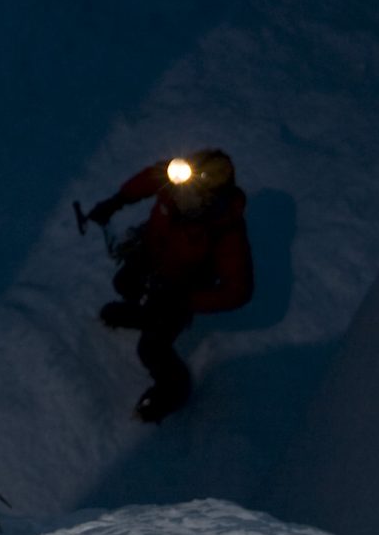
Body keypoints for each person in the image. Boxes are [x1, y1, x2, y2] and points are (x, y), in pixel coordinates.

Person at [84, 149, 254, 422]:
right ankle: (144, 313)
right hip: (154, 255)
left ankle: (173, 389)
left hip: (182, 288)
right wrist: (115, 202)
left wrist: (188, 300)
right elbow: (148, 180)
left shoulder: (226, 233)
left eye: (190, 194)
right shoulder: (178, 183)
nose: (177, 196)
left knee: (152, 348)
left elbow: (239, 291)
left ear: (209, 198)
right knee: (126, 283)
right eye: (178, 187)